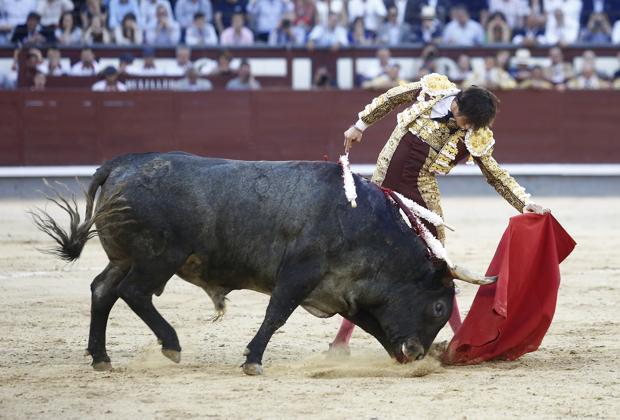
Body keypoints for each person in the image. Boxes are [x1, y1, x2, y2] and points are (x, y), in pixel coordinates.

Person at [334, 73, 549, 351]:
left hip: (421, 196)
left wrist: (523, 203)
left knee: (437, 266)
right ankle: (341, 340)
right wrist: (360, 125)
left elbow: (495, 174)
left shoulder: (474, 134)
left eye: (473, 125)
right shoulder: (433, 89)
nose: (468, 128)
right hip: (381, 187)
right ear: (457, 105)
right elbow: (392, 98)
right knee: (368, 260)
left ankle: (459, 336)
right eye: (467, 121)